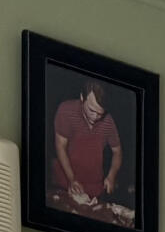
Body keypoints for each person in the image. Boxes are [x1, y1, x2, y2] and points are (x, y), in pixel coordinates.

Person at [51, 81, 129, 222]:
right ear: (82, 98)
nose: (95, 117)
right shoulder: (66, 111)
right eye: (92, 110)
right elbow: (60, 146)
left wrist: (111, 176)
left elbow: (117, 152)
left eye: (100, 113)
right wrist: (72, 179)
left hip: (94, 190)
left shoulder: (108, 122)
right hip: (62, 181)